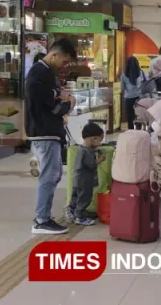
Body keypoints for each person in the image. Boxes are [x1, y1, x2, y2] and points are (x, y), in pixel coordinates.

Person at [26, 38, 77, 234]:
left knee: (54, 174)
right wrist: (66, 104)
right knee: (50, 175)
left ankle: (44, 216)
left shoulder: (46, 72)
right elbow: (45, 102)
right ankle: (41, 220)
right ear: (54, 55)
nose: (64, 66)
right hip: (44, 131)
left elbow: (51, 98)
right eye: (64, 61)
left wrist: (61, 96)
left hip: (49, 131)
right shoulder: (40, 73)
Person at [64, 122, 105, 226]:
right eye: (99, 140)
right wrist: (100, 159)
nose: (100, 143)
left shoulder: (81, 148)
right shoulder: (87, 151)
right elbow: (91, 165)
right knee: (84, 199)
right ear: (93, 138)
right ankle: (79, 217)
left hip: (77, 179)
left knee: (76, 197)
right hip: (85, 181)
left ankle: (71, 210)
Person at [121, 56, 146, 130]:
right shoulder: (141, 73)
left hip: (128, 99)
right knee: (139, 116)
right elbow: (144, 85)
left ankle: (131, 132)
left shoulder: (124, 75)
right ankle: (138, 131)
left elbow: (122, 88)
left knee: (130, 118)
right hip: (139, 98)